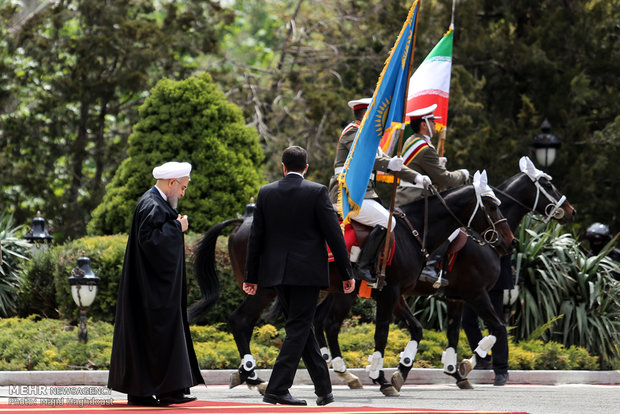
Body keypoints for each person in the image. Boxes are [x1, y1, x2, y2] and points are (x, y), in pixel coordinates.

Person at [243, 146, 356, 406]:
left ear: (283, 167)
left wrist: (250, 276)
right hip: (307, 274)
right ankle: (277, 390)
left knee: (302, 327)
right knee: (298, 328)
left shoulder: (266, 192)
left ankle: (324, 390)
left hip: (277, 275)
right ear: (306, 168)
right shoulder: (317, 192)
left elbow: (255, 239)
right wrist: (346, 271)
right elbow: (334, 235)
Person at [108, 161, 204, 406]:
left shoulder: (155, 203)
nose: (183, 193)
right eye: (182, 187)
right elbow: (149, 241)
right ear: (171, 183)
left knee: (158, 335)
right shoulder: (152, 204)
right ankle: (153, 390)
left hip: (155, 289)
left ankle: (166, 389)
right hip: (150, 291)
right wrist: (177, 227)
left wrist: (173, 226)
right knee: (153, 335)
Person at [327, 98, 431, 284]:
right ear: (369, 115)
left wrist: (416, 177)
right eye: (379, 117)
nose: (381, 121)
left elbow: (387, 161)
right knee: (387, 221)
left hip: (362, 194)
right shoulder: (353, 133)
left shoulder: (367, 137)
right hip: (347, 195)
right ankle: (362, 266)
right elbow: (363, 156)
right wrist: (388, 163)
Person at [394, 104, 469, 286]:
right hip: (416, 198)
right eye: (433, 122)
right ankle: (430, 266)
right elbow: (447, 179)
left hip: (408, 193)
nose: (436, 125)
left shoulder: (412, 140)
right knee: (451, 227)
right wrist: (464, 174)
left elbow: (428, 170)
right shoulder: (425, 148)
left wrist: (438, 163)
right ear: (424, 125)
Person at [461, 254, 514, 386]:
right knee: (467, 320)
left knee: (495, 323)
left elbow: (508, 243)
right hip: (473, 278)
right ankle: (483, 359)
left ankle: (501, 370)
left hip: (495, 278)